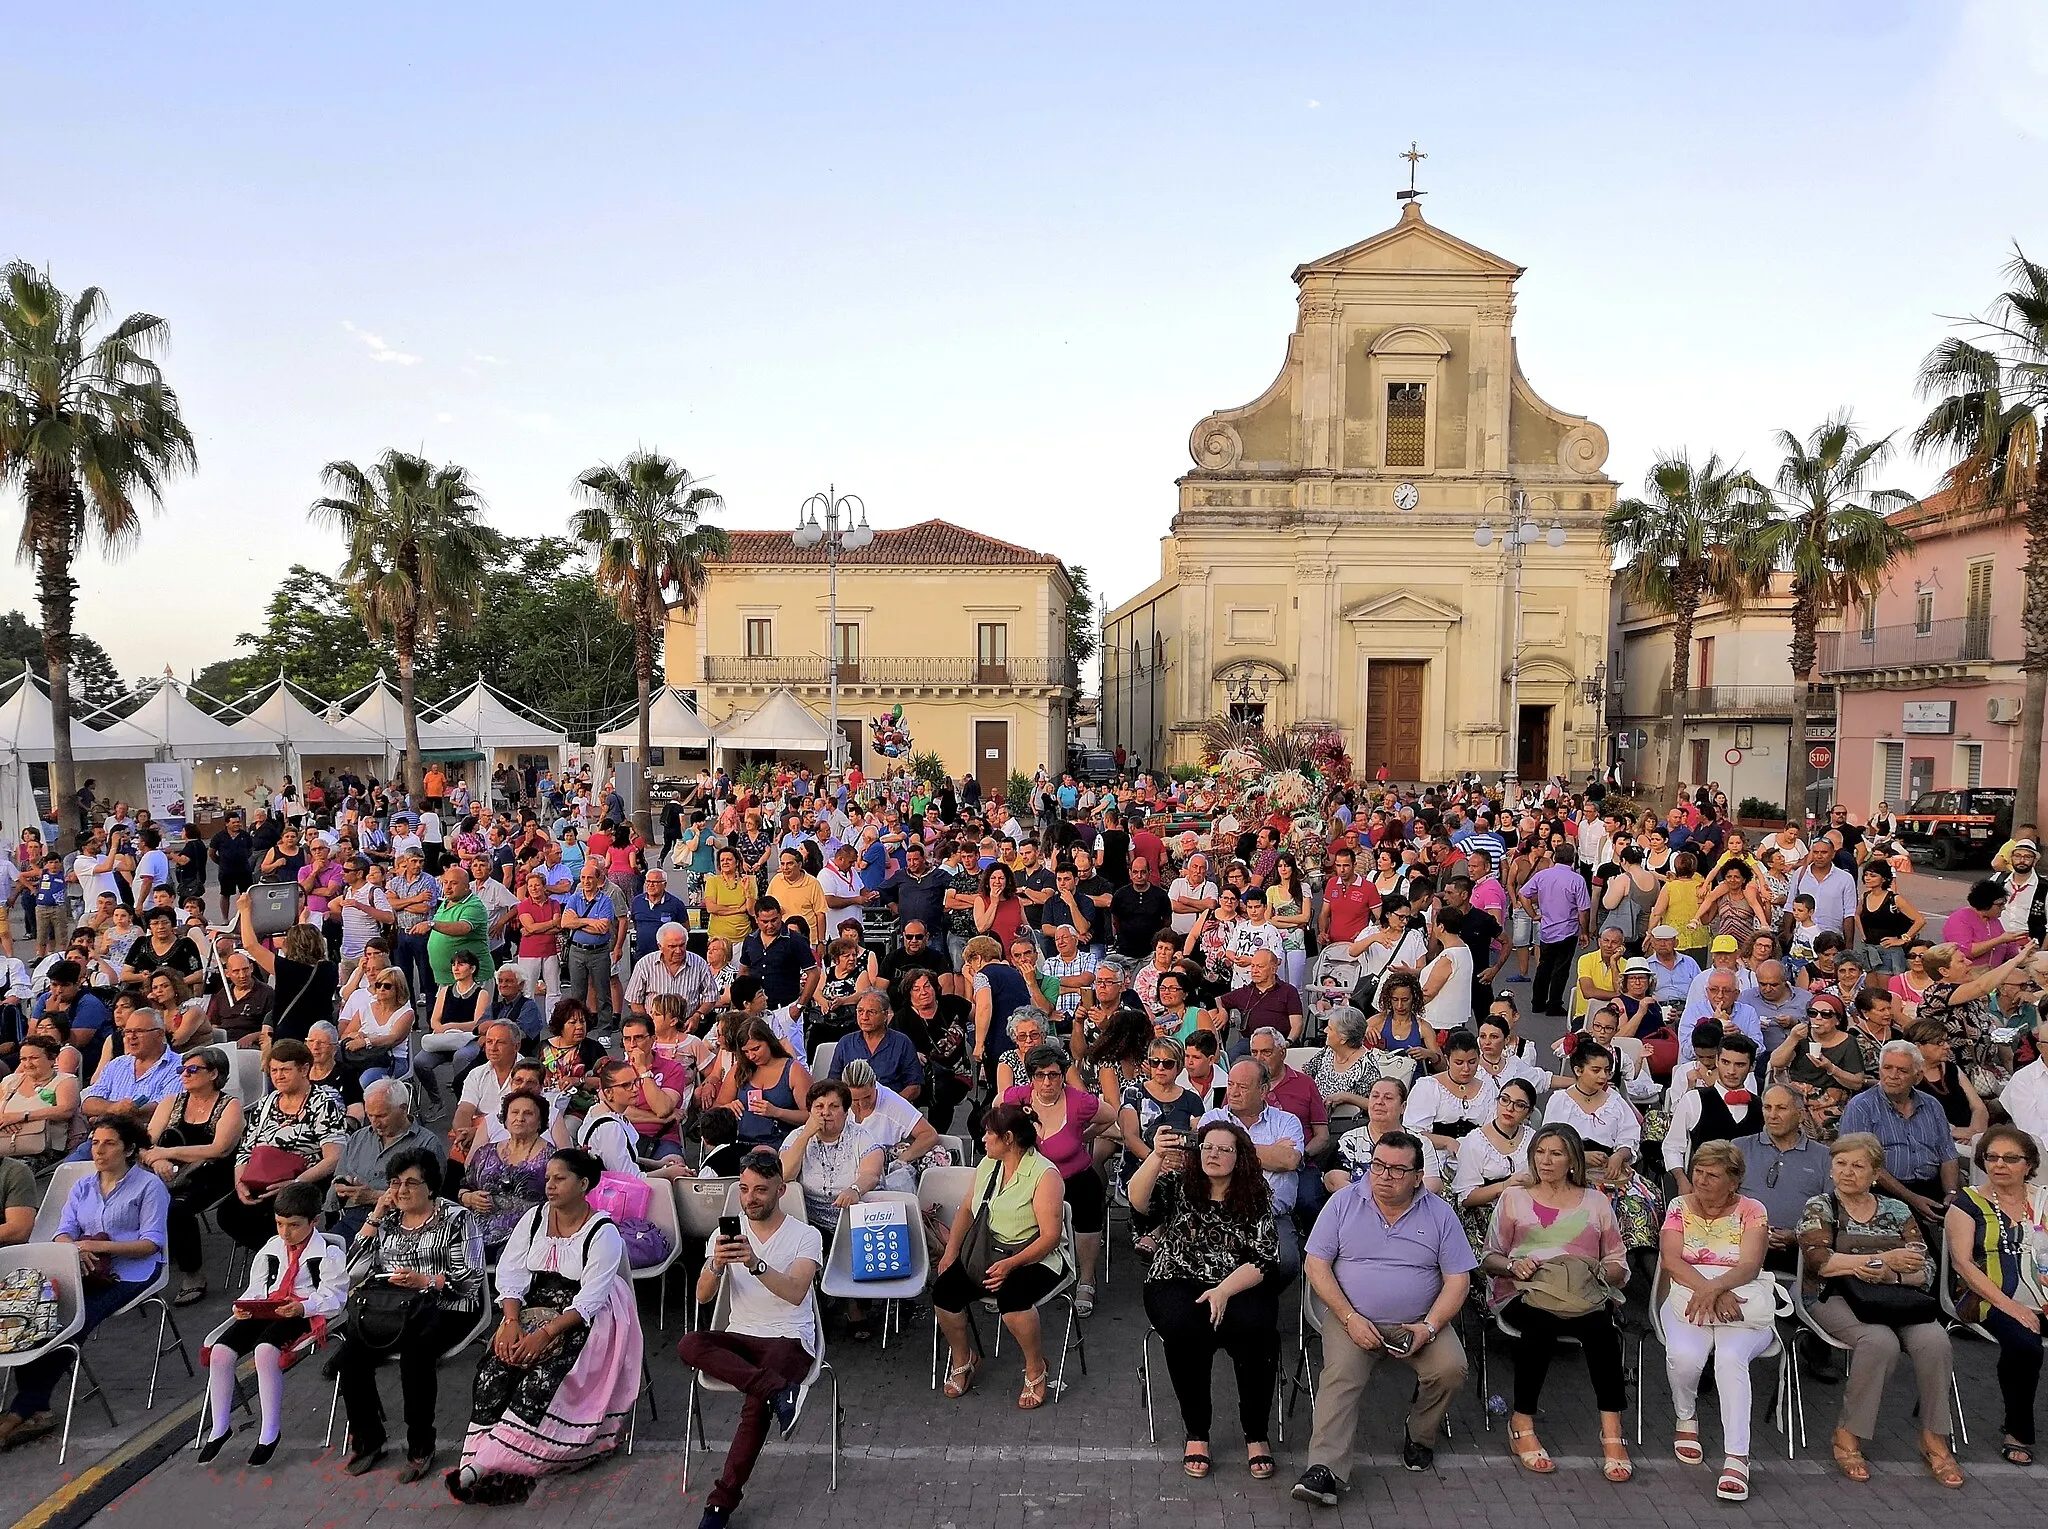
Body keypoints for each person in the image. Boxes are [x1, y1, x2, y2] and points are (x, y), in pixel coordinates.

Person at [1289, 1129, 1473, 1508]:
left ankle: (1420, 1435)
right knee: (1340, 1378)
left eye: (1396, 1170)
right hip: (1352, 1317)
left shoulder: (1439, 1213)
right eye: (1377, 1166)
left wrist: (1429, 1326)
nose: (1383, 1176)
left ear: (1418, 1177)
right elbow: (1316, 1265)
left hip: (1418, 1321)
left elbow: (1459, 1280)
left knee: (1452, 1369)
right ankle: (1324, 1468)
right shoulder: (1343, 1202)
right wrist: (1349, 1316)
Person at [449, 1147, 641, 1505]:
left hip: (585, 1317)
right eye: (548, 1178)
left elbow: (591, 1299)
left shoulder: (604, 1231)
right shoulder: (535, 1218)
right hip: (533, 1305)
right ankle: (484, 1459)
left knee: (543, 1379)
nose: (549, 1185)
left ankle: (493, 1463)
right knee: (495, 1369)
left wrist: (545, 1335)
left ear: (583, 1184)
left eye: (560, 1178)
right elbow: (512, 1271)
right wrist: (510, 1322)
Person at [1795, 1132, 1960, 1487]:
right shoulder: (1821, 1207)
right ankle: (1848, 1433)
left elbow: (1925, 1268)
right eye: (1840, 1164)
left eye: (1858, 1166)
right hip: (1831, 1297)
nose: (1848, 1172)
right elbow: (1820, 1263)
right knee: (1879, 1342)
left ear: (1875, 1173)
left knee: (1936, 1342)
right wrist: (1882, 1259)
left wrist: (1892, 1275)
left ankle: (1934, 1436)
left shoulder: (1898, 1209)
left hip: (1896, 1298)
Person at [674, 1149, 823, 1529]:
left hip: (789, 1339)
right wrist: (715, 1264)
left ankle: (719, 1506)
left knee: (754, 1409)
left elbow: (794, 1292)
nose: (750, 1198)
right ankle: (778, 1391)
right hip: (742, 1334)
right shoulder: (724, 1233)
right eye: (743, 1189)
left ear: (780, 1190)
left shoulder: (806, 1236)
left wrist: (755, 1264)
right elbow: (703, 1296)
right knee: (690, 1344)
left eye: (760, 1189)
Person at [0, 1117, 169, 1451]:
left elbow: (152, 1243)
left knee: (74, 1323)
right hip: (84, 1267)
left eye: (108, 1143)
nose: (99, 1151)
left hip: (133, 1270)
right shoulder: (83, 1186)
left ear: (129, 1148)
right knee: (40, 1315)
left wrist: (95, 1247)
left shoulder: (149, 1187)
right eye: (95, 1143)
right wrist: (74, 1251)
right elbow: (64, 1231)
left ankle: (20, 1412)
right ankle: (38, 1410)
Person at [1478, 1122, 1633, 1480]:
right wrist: (1515, 1266)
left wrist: (1597, 1274)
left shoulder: (1596, 1202)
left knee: (1601, 1331)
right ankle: (1521, 1422)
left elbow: (1617, 1260)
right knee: (1540, 1325)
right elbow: (1490, 1257)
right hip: (1525, 1289)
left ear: (1573, 1160)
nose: (1545, 1161)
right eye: (1540, 1152)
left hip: (1583, 1291)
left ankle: (1612, 1431)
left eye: (1556, 1153)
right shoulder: (1514, 1198)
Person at [1130, 1117, 1280, 1478]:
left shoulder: (1256, 1194)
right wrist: (1156, 1155)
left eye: (1224, 1149)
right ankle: (1197, 1431)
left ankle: (1256, 1433)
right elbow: (1139, 1203)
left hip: (1238, 1280)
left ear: (1239, 1157)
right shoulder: (1179, 1185)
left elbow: (1264, 1257)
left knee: (1258, 1333)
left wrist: (1224, 1290)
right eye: (1207, 1147)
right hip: (1175, 1277)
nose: (1213, 1154)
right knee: (1185, 1330)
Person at [336, 1148, 487, 1481]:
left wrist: (427, 1281)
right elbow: (351, 1269)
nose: (401, 1190)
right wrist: (374, 1216)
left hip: (446, 1307)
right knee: (349, 1358)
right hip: (393, 1309)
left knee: (416, 1356)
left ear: (430, 1186)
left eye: (410, 1183)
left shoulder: (458, 1219)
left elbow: (472, 1281)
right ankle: (369, 1439)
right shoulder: (387, 1220)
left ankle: (420, 1445)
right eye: (394, 1183)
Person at [196, 1182, 347, 1467]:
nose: (285, 1233)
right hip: (269, 1307)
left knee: (265, 1351)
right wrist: (243, 1306)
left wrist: (304, 1306)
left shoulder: (329, 1252)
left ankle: (269, 1431)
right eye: (279, 1224)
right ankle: (219, 1427)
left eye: (293, 1225)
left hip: (303, 1312)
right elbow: (257, 1286)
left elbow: (335, 1297)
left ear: (314, 1221)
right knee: (220, 1353)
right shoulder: (272, 1247)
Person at [932, 1102, 1070, 1409]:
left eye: (988, 1134)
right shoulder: (988, 1166)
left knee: (1013, 1298)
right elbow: (967, 1209)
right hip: (990, 1251)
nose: (982, 1139)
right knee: (944, 1291)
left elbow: (1050, 1238)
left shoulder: (1045, 1175)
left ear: (1008, 1138)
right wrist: (951, 1252)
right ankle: (964, 1358)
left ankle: (1036, 1367)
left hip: (1036, 1257)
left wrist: (1011, 1264)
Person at [1658, 1139, 1773, 1503]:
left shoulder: (1753, 1210)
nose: (1702, 1181)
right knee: (1686, 1357)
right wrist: (1712, 1292)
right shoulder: (1679, 1206)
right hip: (1689, 1298)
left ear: (1734, 1181)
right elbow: (1673, 1261)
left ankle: (1737, 1458)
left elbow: (1750, 1264)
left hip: (1741, 1304)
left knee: (1729, 1360)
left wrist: (1719, 1290)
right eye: (1698, 1173)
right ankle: (1686, 1417)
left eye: (1712, 1175)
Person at [1945, 1123, 2048, 1466]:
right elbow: (1962, 1263)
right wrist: (2012, 1307)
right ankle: (2019, 1430)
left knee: (2026, 1337)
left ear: (2029, 1164)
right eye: (1992, 1157)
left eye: (2010, 1158)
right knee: (2024, 1343)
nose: (1999, 1164)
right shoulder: (1968, 1202)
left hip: (2042, 1295)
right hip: (1987, 1296)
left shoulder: (2043, 1200)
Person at [1003, 1042, 1113, 1313]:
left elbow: (1110, 1115)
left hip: (1073, 1175)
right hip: (1034, 1179)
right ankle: (1014, 1271)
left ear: (1063, 1075)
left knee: (1088, 1206)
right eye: (1040, 1075)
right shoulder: (1020, 1098)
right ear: (1031, 1077)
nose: (1047, 1081)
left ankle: (1086, 1279)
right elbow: (998, 1105)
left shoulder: (1079, 1101)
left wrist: (1082, 1137)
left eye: (1053, 1074)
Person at [217, 1039, 348, 1250]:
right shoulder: (266, 1103)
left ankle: (285, 1260)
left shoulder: (323, 1103)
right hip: (262, 1177)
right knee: (228, 1214)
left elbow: (333, 1158)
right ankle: (276, 1256)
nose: (278, 1076)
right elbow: (246, 1148)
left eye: (285, 1070)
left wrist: (295, 1182)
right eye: (274, 1070)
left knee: (277, 1213)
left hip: (306, 1179)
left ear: (304, 1069)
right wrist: (240, 1182)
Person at [142, 1045, 245, 1306]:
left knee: (177, 1209)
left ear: (214, 1074)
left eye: (192, 1069)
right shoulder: (172, 1102)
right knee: (137, 1196)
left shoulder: (229, 1106)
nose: (184, 1075)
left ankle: (193, 1276)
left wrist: (168, 1151)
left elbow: (218, 1150)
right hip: (168, 1170)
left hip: (213, 1172)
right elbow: (146, 1143)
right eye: (182, 1070)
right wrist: (159, 1159)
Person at [1838, 1040, 1959, 1235]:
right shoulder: (1860, 1107)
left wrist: (1951, 1193)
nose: (1893, 1076)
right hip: (1880, 1194)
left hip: (1932, 1189)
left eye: (1902, 1071)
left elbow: (1947, 1154)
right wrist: (1912, 1199)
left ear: (1918, 1076)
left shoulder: (1932, 1105)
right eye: (1887, 1068)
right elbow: (1864, 1165)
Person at [1732, 1085, 1832, 1276]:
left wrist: (1797, 1236)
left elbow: (1829, 1213)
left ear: (1801, 1114)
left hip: (1799, 1252)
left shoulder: (1824, 1157)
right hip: (1740, 1245)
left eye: (1781, 1108)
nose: (1772, 1115)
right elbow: (1721, 1201)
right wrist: (1753, 1233)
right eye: (1767, 1107)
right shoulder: (1739, 1148)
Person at [328, 1079, 444, 1238]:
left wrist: (375, 1196)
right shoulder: (359, 1138)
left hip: (400, 1224)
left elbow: (430, 1199)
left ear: (403, 1109)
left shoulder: (427, 1144)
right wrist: (343, 1186)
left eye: (382, 1115)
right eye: (370, 1115)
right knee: (324, 1256)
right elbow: (338, 1177)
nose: (375, 1123)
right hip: (353, 1219)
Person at [1447, 1078, 1538, 1257]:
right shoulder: (1475, 1142)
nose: (1509, 1108)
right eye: (1504, 1100)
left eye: (1519, 1105)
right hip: (1486, 1219)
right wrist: (1504, 1187)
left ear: (1529, 1112)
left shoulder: (1534, 1140)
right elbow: (1465, 1199)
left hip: (1528, 1214)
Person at [458, 1089, 554, 1255]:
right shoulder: (485, 1152)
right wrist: (468, 1198)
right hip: (475, 1232)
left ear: (540, 1122)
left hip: (524, 1237)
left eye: (528, 1113)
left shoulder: (551, 1158)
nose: (520, 1118)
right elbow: (464, 1186)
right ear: (506, 1118)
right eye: (514, 1112)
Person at [238, 896, 338, 1045]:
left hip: (291, 1037)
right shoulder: (329, 969)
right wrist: (303, 923)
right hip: (319, 1036)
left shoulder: (287, 969)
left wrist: (245, 911)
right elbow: (306, 941)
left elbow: (250, 945)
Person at [715, 1017, 811, 1149]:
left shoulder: (793, 1071)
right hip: (741, 1143)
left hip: (782, 1145)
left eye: (756, 1049)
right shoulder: (740, 1069)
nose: (751, 1056)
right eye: (745, 1052)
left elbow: (810, 1115)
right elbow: (716, 1108)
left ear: (769, 1042)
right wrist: (727, 1108)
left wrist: (777, 1112)